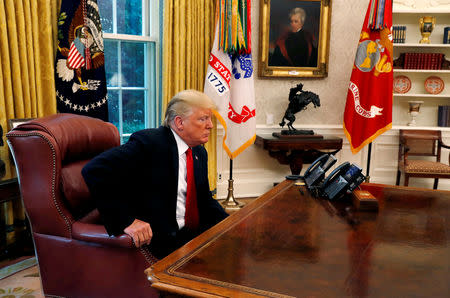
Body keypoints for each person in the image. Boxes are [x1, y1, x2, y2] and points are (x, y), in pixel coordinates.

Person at [82, 89, 228, 258]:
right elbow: (95, 170)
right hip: (162, 241)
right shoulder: (150, 143)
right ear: (179, 122)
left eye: (209, 119)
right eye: (203, 119)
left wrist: (232, 224)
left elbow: (204, 201)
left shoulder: (198, 153)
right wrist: (126, 220)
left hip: (192, 235)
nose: (210, 125)